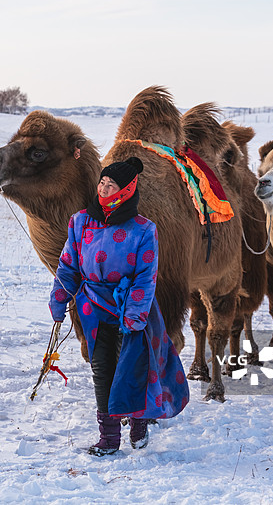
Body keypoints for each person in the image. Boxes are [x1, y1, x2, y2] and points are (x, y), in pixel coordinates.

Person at [49, 156, 188, 456]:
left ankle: (138, 424)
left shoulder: (143, 229)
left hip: (130, 309)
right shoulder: (80, 221)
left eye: (111, 185)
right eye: (102, 182)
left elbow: (145, 276)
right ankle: (109, 439)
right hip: (93, 309)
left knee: (130, 371)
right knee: (103, 372)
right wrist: (60, 297)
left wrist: (135, 314)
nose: (104, 188)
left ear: (125, 191)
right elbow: (69, 266)